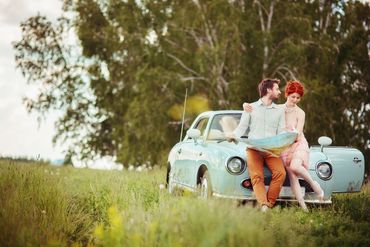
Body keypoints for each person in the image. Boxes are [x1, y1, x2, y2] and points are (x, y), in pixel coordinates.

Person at [243, 80, 324, 211]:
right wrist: (245, 105)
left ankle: (314, 185)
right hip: (284, 145)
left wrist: (291, 134)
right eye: (293, 97)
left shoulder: (300, 113)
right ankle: (304, 207)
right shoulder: (278, 109)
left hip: (297, 143)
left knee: (295, 166)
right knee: (291, 175)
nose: (295, 100)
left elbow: (298, 133)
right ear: (287, 94)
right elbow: (261, 113)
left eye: (298, 98)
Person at [227, 78, 286, 212]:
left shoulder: (279, 110)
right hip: (254, 149)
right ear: (268, 90)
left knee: (280, 173)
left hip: (272, 150)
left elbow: (282, 131)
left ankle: (269, 203)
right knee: (257, 177)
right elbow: (241, 128)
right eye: (277, 89)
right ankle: (264, 205)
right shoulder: (250, 107)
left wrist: (288, 138)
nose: (279, 92)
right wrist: (233, 135)